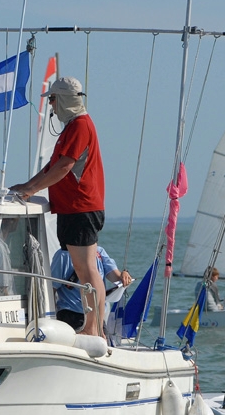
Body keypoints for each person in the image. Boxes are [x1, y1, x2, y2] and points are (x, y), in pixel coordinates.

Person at [8, 77, 106, 337]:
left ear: (63, 99)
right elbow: (54, 165)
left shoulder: (81, 125)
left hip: (81, 208)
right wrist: (29, 185)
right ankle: (94, 327)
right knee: (85, 268)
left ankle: (93, 328)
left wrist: (31, 190)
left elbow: (64, 167)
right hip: (74, 208)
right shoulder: (72, 127)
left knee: (87, 269)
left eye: (52, 99)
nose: (51, 104)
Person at [51, 245, 132, 332]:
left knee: (103, 343)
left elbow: (116, 278)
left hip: (96, 318)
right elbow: (51, 288)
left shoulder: (99, 252)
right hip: (70, 315)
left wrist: (124, 274)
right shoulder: (63, 255)